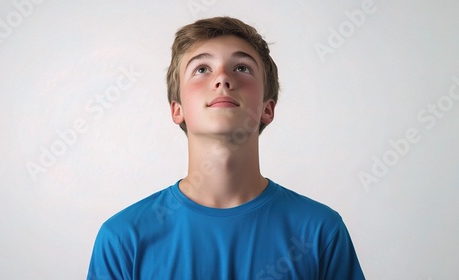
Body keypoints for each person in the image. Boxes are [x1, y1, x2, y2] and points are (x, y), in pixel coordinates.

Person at [87, 16, 365, 280]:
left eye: (242, 68)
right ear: (177, 109)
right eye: (201, 69)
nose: (222, 79)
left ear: (267, 109)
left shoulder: (320, 231)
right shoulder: (123, 238)